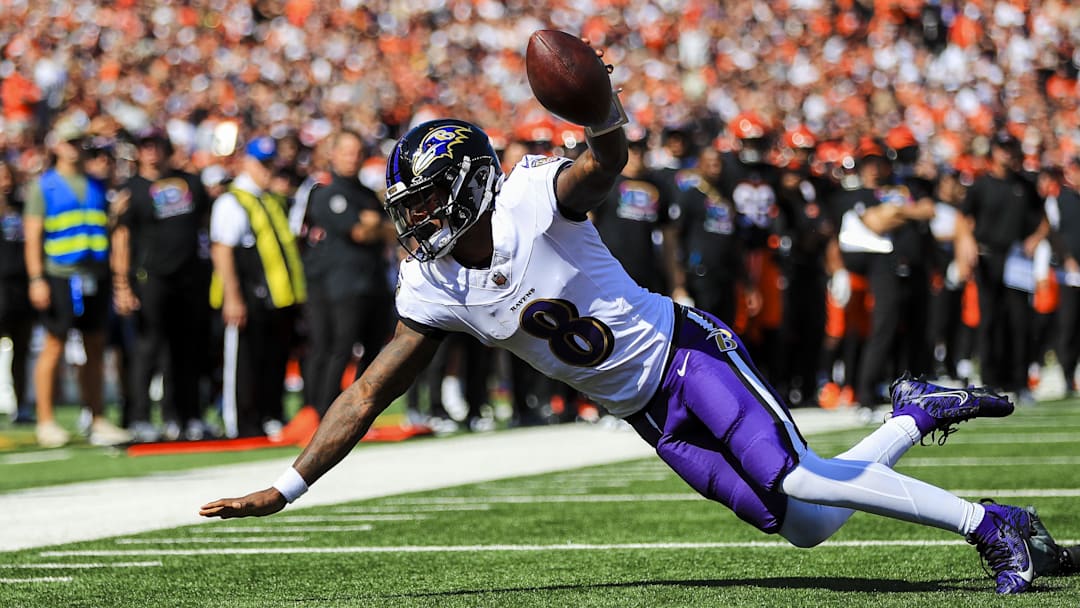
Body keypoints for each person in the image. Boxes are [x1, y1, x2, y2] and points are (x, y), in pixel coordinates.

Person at [201, 104, 1041, 594]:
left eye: (423, 203)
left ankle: (988, 524)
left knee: (794, 475)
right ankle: (912, 414)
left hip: (685, 355)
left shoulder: (537, 195)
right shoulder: (433, 288)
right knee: (809, 526)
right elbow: (365, 392)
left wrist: (600, 108)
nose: (413, 222)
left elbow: (603, 163)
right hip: (646, 412)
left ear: (463, 187)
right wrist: (288, 487)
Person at [22, 115, 131, 447]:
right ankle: (45, 420)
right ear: (56, 145)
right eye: (70, 142)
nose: (76, 149)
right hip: (60, 276)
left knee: (95, 346)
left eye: (79, 142)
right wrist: (37, 278)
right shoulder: (44, 186)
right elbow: (32, 236)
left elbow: (104, 229)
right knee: (54, 345)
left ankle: (97, 418)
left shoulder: (97, 184)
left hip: (93, 276)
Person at [113, 130, 213, 442]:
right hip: (150, 278)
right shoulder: (131, 190)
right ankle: (140, 417)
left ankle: (186, 416)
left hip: (190, 279)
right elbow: (121, 238)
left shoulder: (191, 183)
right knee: (148, 349)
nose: (152, 152)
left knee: (186, 352)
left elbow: (206, 224)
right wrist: (122, 285)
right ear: (139, 153)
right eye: (146, 147)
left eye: (157, 146)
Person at [209, 136, 306, 438]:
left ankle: (269, 414)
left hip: (276, 299)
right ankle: (241, 421)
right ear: (246, 163)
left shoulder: (271, 199)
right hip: (247, 297)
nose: (267, 170)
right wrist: (233, 298)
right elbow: (222, 250)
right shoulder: (232, 200)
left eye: (270, 164)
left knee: (273, 360)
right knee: (244, 363)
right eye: (261, 164)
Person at [301, 130, 393, 419]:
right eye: (346, 151)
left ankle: (362, 411)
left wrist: (375, 225)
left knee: (374, 350)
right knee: (339, 348)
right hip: (342, 284)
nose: (352, 158)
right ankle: (323, 411)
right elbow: (359, 232)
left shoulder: (365, 194)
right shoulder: (326, 192)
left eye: (356, 152)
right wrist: (375, 225)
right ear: (334, 153)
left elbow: (394, 231)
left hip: (373, 282)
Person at [954, 133, 1047, 403]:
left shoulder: (1026, 185)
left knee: (1019, 321)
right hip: (988, 257)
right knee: (989, 320)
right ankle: (990, 381)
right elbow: (963, 217)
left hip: (1017, 258)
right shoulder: (981, 185)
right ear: (993, 152)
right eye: (1002, 149)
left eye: (1011, 149)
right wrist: (968, 242)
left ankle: (1019, 382)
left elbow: (1043, 220)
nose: (1007, 154)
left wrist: (1035, 239)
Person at [0, 159, 35, 423]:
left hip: (20, 287)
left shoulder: (23, 208)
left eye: (7, 177)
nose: (5, 183)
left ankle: (21, 406)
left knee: (21, 349)